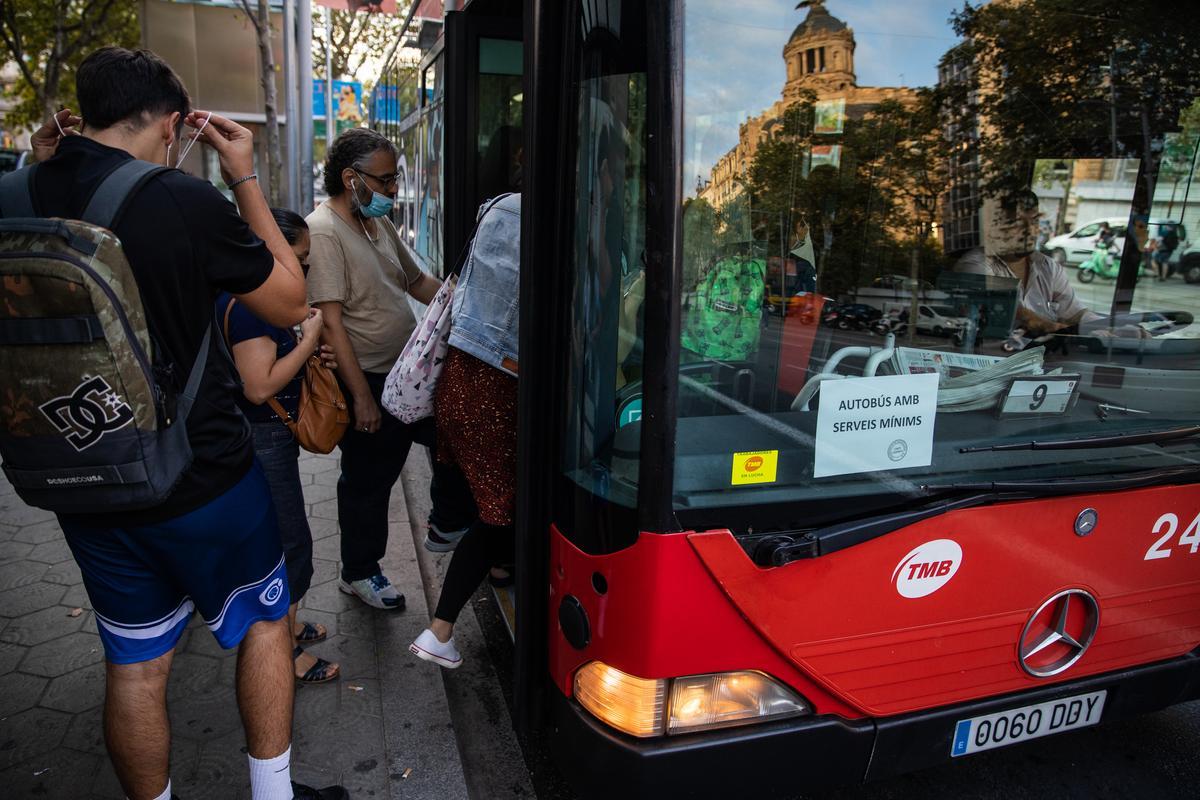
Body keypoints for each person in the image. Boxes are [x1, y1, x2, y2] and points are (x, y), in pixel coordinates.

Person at [19, 48, 344, 800]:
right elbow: (291, 303)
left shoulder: (17, 191)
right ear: (171, 124)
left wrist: (42, 164)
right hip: (201, 476)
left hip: (78, 474)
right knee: (266, 623)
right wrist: (243, 177)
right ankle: (271, 794)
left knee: (135, 665)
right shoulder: (179, 200)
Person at [305, 128, 470, 609]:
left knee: (453, 435)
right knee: (368, 481)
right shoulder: (324, 231)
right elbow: (331, 325)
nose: (395, 190)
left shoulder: (376, 224)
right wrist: (360, 398)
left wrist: (465, 305)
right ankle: (359, 572)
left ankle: (446, 521)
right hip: (370, 379)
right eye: (386, 180)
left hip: (407, 373)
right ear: (350, 178)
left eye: (395, 178)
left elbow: (417, 281)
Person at [217, 209, 341, 685]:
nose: (304, 272)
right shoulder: (251, 305)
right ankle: (283, 652)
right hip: (262, 437)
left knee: (285, 541)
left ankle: (285, 627)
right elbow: (257, 385)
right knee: (289, 545)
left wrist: (303, 347)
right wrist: (308, 344)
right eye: (301, 260)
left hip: (262, 437)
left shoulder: (255, 297)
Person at [410, 192, 521, 669]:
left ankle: (499, 566)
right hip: (496, 385)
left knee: (493, 497)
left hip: (459, 376)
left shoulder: (496, 206)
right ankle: (440, 630)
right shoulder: (546, 216)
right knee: (502, 509)